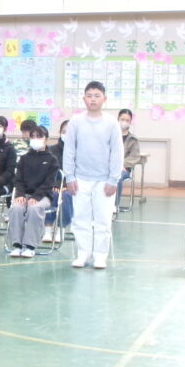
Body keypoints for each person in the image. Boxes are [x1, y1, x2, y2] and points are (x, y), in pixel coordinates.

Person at [63, 81, 124, 269]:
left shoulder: (112, 123)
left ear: (104, 99)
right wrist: (70, 177)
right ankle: (83, 254)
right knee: (80, 219)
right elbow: (69, 150)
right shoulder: (76, 121)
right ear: (84, 99)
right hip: (80, 178)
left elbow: (117, 152)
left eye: (97, 96)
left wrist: (113, 179)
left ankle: (100, 256)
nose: (93, 99)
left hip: (104, 180)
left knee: (102, 220)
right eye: (89, 96)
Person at [8, 126, 59, 258]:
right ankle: (17, 245)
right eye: (33, 137)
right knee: (16, 208)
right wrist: (20, 194)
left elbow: (49, 183)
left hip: (42, 196)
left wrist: (36, 197)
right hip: (24, 194)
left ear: (46, 139)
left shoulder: (52, 160)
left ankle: (30, 246)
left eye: (39, 136)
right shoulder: (24, 158)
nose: (36, 139)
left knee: (34, 209)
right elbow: (18, 179)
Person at [115, 109, 141, 208]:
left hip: (124, 169)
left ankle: (115, 205)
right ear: (118, 119)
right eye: (122, 119)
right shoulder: (110, 135)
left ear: (130, 122)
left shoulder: (133, 139)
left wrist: (122, 165)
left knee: (117, 177)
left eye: (127, 120)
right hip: (108, 167)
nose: (124, 122)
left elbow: (135, 156)